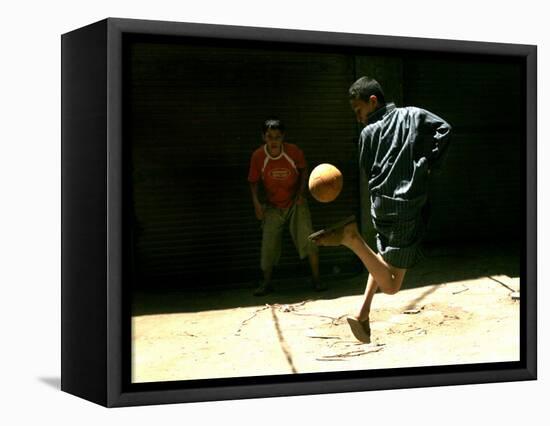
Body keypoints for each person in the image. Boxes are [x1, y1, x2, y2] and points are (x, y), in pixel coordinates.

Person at [312, 76, 452, 343]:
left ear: (372, 101)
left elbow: (367, 167)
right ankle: (351, 238)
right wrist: (430, 162)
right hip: (405, 206)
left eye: (359, 111)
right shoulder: (412, 115)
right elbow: (445, 129)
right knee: (391, 285)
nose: (359, 118)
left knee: (381, 258)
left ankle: (362, 314)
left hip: (380, 207)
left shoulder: (367, 134)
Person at [248, 119, 325, 296]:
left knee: (309, 239)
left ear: (283, 137)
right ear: (263, 137)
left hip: (295, 203)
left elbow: (304, 170)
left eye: (277, 137)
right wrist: (257, 205)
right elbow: (253, 182)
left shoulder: (293, 152)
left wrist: (301, 193)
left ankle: (317, 280)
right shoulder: (258, 156)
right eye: (269, 137)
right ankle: (266, 283)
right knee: (268, 245)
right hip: (273, 206)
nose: (273, 141)